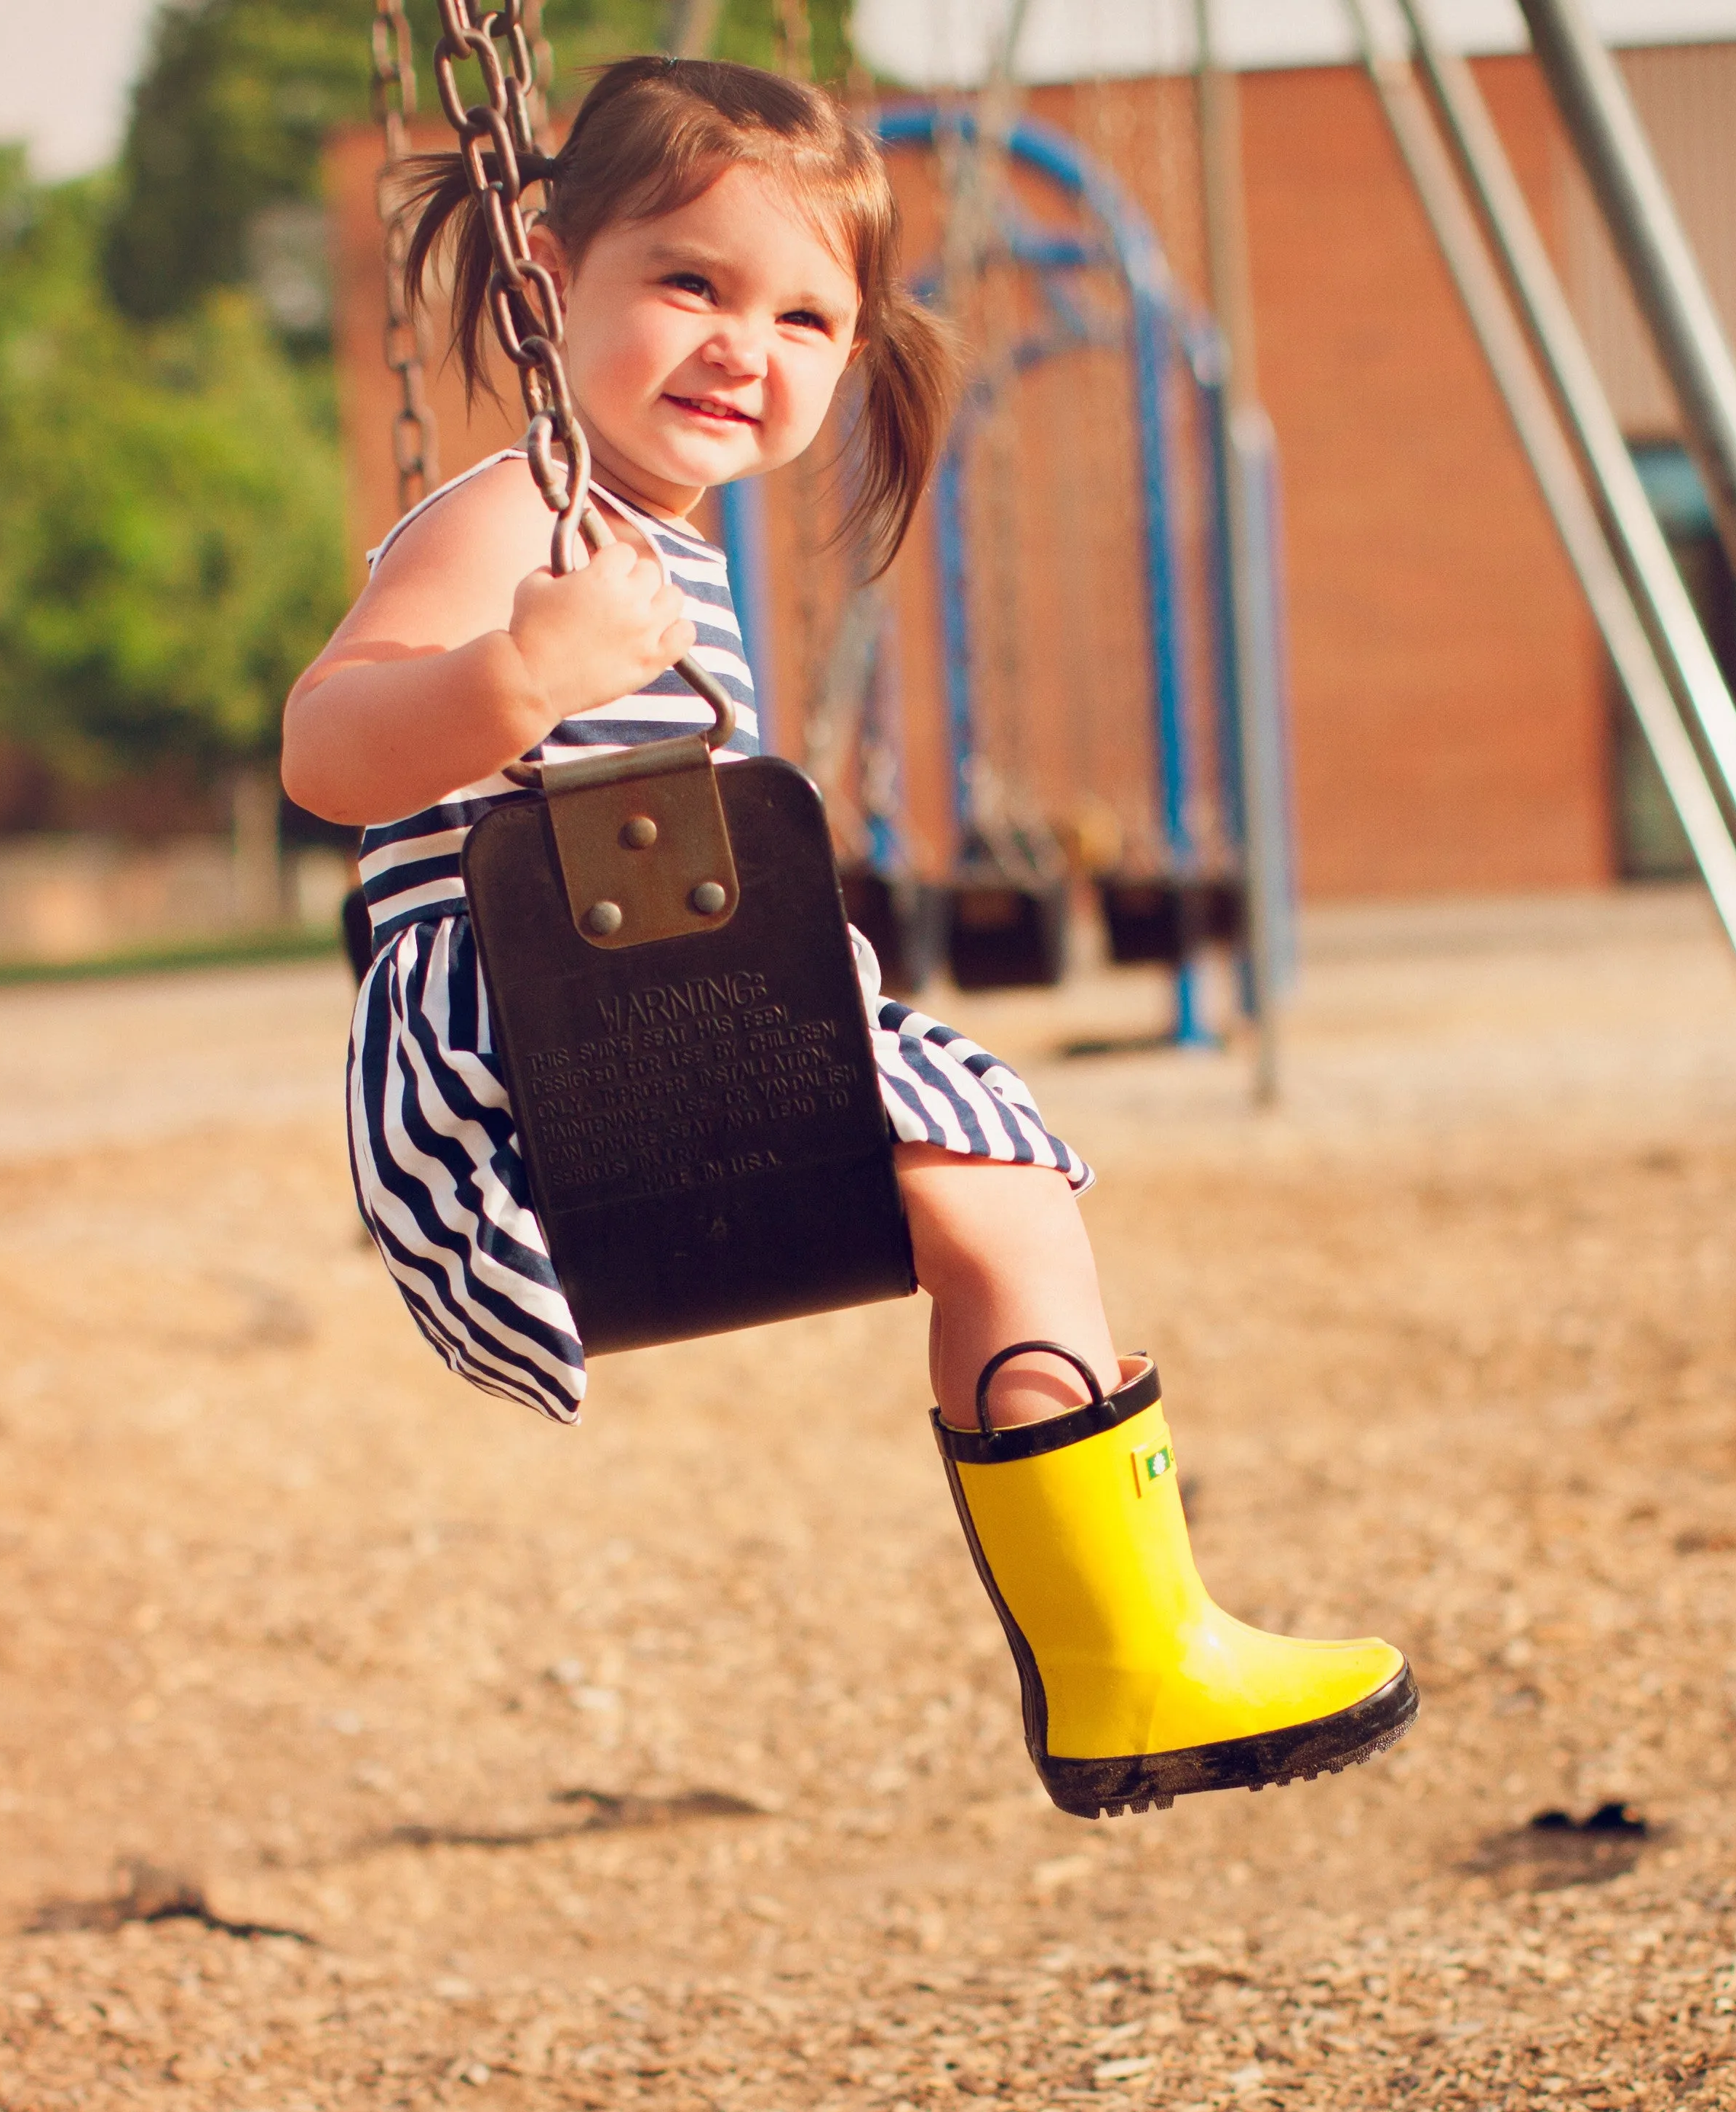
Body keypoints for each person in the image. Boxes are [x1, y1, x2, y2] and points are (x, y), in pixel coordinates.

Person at [279, 57, 1412, 1819]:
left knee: (1009, 1209)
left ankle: (1135, 1644)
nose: (752, 344)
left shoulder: (653, 539)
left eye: (809, 314)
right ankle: (1134, 1654)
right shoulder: (515, 519)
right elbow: (326, 747)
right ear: (539, 268)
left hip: (664, 1012)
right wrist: (516, 674)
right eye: (692, 284)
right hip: (540, 1054)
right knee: (1001, 1198)